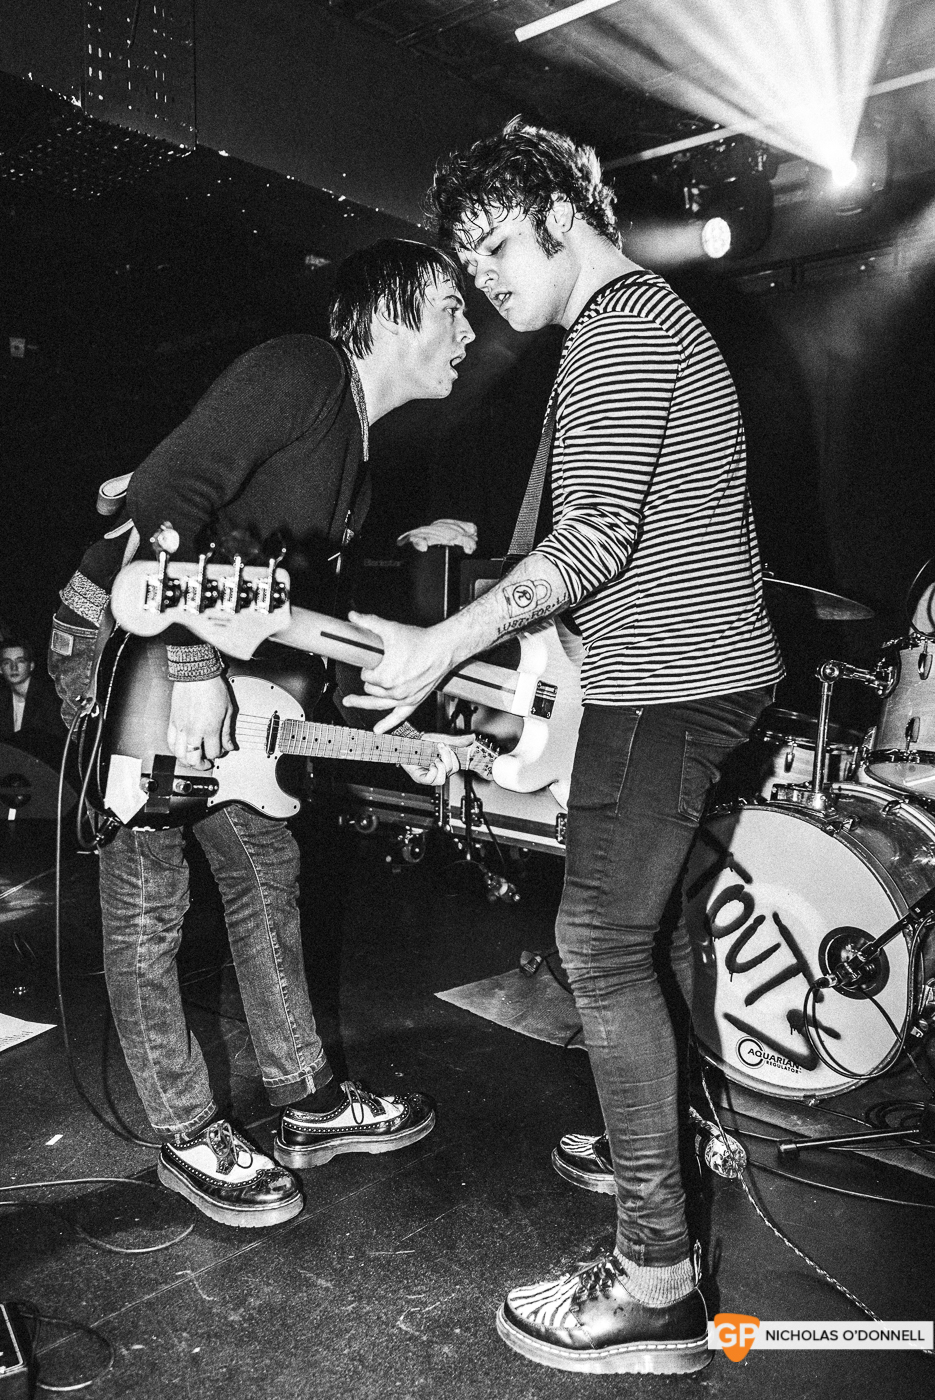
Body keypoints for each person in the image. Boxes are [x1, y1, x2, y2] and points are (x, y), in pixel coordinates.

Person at [344, 122, 784, 1373]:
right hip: (679, 675)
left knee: (595, 942)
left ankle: (655, 1277)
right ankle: (668, 1145)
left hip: (675, 686)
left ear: (554, 209)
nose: (485, 283)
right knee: (640, 935)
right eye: (467, 269)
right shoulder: (633, 325)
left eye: (492, 248)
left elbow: (589, 545)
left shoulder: (620, 330)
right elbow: (648, 543)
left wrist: (443, 645)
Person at [51, 239, 476, 1230]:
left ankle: (306, 1099)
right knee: (152, 886)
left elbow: (272, 611)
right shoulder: (301, 370)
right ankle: (187, 1128)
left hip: (203, 646)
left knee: (263, 860)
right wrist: (196, 673)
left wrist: (367, 683)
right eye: (452, 306)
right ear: (393, 308)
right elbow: (163, 494)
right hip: (123, 636)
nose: (469, 328)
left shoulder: (358, 466)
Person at [1, 639, 63, 762]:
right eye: (7, 662)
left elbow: (55, 744)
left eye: (20, 661)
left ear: (31, 666)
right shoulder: (3, 699)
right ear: (1, 669)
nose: (14, 667)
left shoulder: (49, 698)